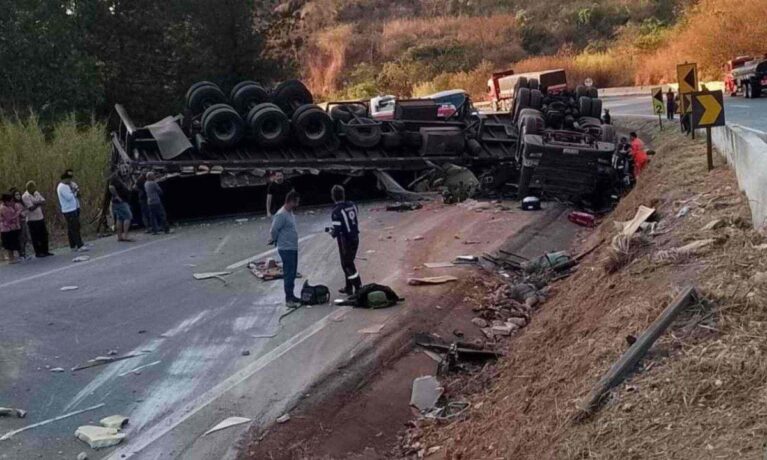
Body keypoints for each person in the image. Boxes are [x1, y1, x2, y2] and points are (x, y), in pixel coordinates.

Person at [270, 190, 301, 307]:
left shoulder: (290, 213)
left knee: (292, 273)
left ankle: (291, 295)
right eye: (296, 202)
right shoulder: (281, 214)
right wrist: (275, 239)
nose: (297, 205)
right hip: (286, 248)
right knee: (289, 273)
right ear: (290, 201)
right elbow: (274, 230)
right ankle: (288, 299)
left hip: (292, 247)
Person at [330, 185, 362, 295]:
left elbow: (337, 231)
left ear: (333, 197)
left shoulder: (336, 211)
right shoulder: (352, 205)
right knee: (349, 261)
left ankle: (358, 287)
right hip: (355, 236)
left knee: (347, 264)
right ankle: (349, 287)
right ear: (343, 194)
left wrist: (331, 232)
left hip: (345, 240)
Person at [57, 171, 87, 252]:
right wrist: (73, 191)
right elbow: (69, 197)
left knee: (73, 227)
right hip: (68, 210)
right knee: (74, 228)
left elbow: (77, 194)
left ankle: (73, 244)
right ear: (65, 179)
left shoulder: (68, 185)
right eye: (69, 179)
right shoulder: (62, 187)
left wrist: (75, 190)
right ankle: (79, 245)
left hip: (74, 208)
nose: (70, 181)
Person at [21, 181, 52, 257]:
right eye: (32, 187)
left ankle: (45, 250)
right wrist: (38, 203)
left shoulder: (36, 193)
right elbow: (31, 208)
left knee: (44, 234)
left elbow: (43, 201)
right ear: (29, 188)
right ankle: (38, 252)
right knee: (35, 236)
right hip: (32, 219)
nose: (34, 188)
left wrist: (37, 203)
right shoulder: (25, 196)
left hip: (40, 217)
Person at [108, 173, 134, 242]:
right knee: (128, 216)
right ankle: (126, 236)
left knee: (120, 218)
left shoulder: (118, 183)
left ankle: (119, 236)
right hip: (121, 203)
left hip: (117, 203)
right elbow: (111, 187)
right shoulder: (114, 184)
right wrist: (118, 197)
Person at [0, 193, 23, 264]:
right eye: (10, 201)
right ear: (6, 201)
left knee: (12, 243)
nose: (11, 203)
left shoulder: (9, 207)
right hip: (6, 228)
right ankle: (11, 258)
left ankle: (13, 257)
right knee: (8, 244)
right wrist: (18, 213)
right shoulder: (3, 208)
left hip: (11, 228)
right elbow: (9, 218)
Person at [10, 188, 30, 260]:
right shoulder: (15, 204)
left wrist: (25, 212)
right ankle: (21, 254)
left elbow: (27, 211)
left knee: (25, 238)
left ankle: (24, 253)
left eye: (19, 194)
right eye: (16, 195)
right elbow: (22, 214)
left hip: (24, 222)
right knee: (21, 238)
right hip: (20, 222)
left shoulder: (21, 203)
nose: (18, 196)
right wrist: (24, 212)